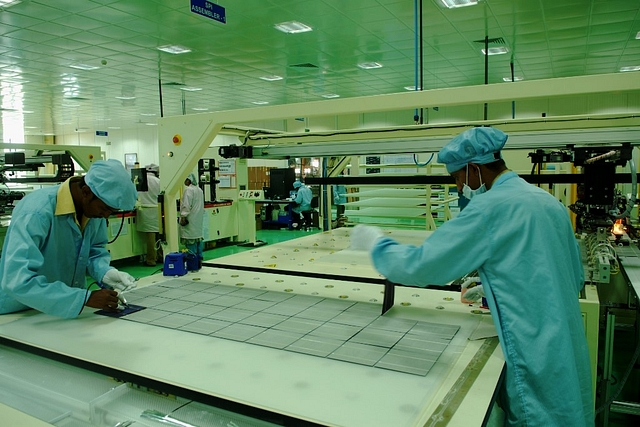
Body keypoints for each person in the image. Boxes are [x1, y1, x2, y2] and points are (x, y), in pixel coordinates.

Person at [350, 127, 593, 426]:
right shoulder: (546, 202)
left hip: (532, 349)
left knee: (537, 415)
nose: (458, 187)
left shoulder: (489, 208)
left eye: (457, 178)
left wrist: (377, 245)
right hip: (565, 344)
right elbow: (570, 276)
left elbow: (422, 266)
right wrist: (496, 286)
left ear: (473, 169)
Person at [0, 159, 138, 319]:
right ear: (86, 192)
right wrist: (84, 298)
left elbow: (94, 251)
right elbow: (16, 280)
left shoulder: (92, 211)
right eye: (106, 208)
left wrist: (106, 272)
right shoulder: (37, 212)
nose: (106, 215)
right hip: (19, 311)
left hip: (62, 307)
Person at [137, 163, 162, 266]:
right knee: (160, 235)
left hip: (145, 210)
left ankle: (151, 260)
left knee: (150, 237)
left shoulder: (140, 180)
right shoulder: (158, 181)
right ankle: (161, 256)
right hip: (157, 209)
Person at [179, 172, 204, 267]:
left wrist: (183, 216)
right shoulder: (199, 190)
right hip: (198, 219)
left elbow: (186, 204)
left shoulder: (188, 190)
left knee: (190, 241)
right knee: (198, 240)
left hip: (190, 219)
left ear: (188, 180)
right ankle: (199, 262)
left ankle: (192, 264)